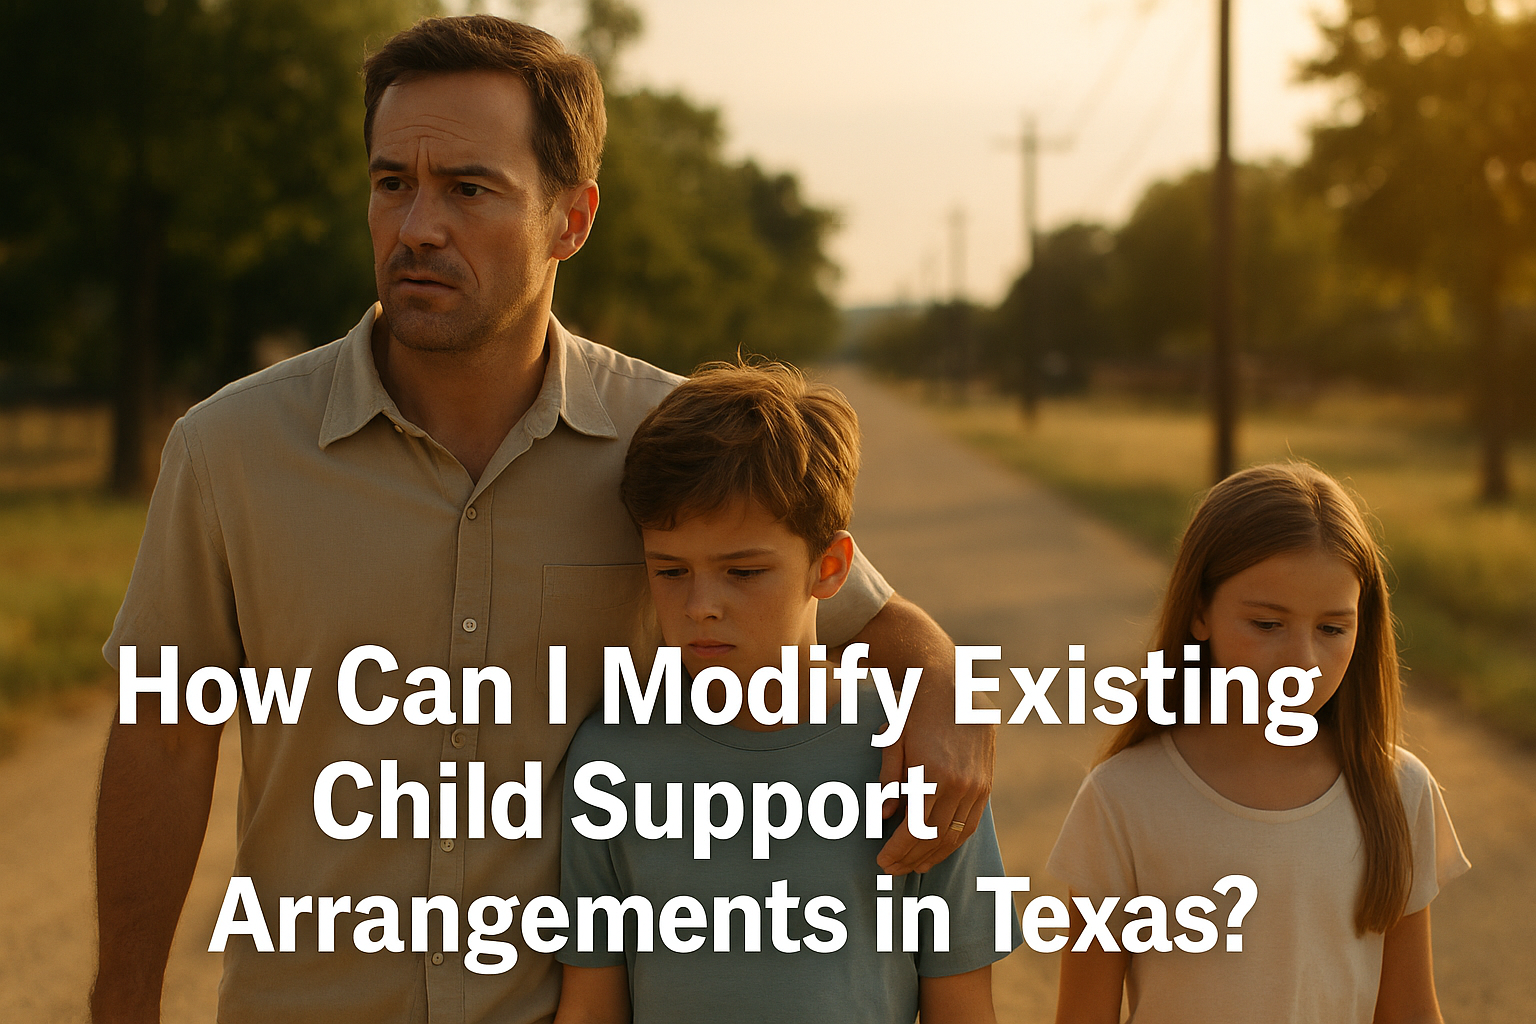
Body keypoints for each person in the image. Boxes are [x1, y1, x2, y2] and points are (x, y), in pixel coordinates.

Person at [90, 15, 993, 1024]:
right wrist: (121, 995)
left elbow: (867, 614)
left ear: (573, 219)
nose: (417, 226)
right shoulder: (229, 451)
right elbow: (164, 739)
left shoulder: (668, 447)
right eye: (393, 183)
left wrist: (946, 688)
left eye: (469, 189)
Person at [552, 361, 1019, 1024]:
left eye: (743, 571)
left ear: (828, 569)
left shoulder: (917, 756)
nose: (701, 605)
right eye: (671, 570)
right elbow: (591, 1004)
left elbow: (964, 1007)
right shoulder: (611, 757)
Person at [1048, 463, 1469, 1024]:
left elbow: (1411, 1010)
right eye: (1268, 624)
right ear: (1199, 611)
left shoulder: (1398, 790)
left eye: (1332, 629)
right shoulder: (1122, 799)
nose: (1302, 662)